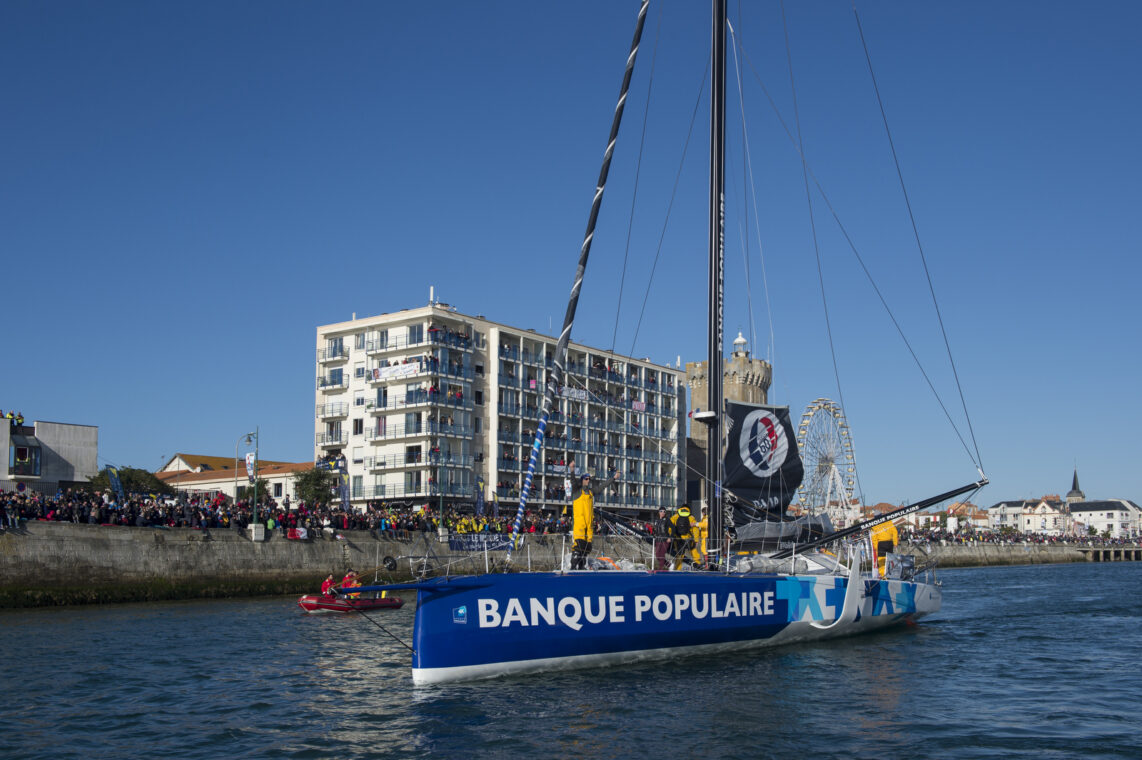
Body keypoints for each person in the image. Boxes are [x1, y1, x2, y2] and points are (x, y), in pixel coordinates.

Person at [566, 458, 619, 570]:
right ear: (582, 480)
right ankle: (572, 567)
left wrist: (613, 478)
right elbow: (572, 481)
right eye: (586, 479)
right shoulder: (576, 491)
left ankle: (581, 567)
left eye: (589, 479)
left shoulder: (591, 492)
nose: (588, 480)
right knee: (578, 547)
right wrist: (571, 469)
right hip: (580, 524)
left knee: (586, 549)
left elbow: (602, 486)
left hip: (589, 526)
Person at [669, 505, 700, 569]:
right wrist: (696, 540)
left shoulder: (675, 516)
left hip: (678, 539)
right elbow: (695, 529)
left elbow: (669, 526)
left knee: (680, 555)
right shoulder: (691, 517)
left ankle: (677, 569)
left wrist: (671, 535)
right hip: (689, 538)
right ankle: (698, 566)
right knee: (694, 552)